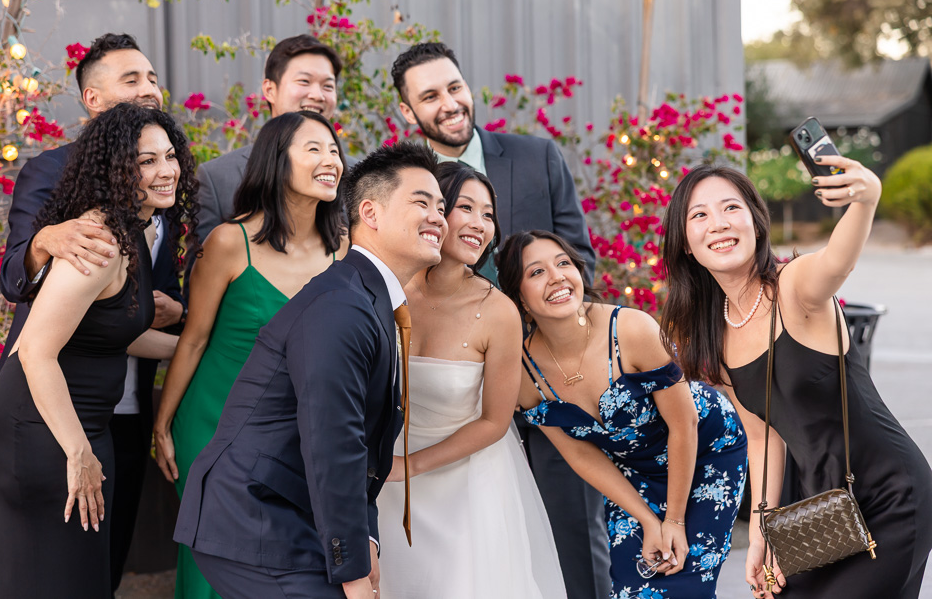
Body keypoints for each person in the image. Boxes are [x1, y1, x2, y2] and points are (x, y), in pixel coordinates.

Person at [174, 141, 446, 599]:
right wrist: (352, 567)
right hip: (256, 516)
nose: (439, 216)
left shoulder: (368, 297)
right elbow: (333, 441)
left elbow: (361, 444)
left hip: (293, 513)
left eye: (440, 206)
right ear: (370, 213)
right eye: (422, 202)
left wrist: (367, 537)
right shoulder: (341, 304)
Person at [391, 41, 609, 598]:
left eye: (455, 87)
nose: (449, 103)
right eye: (430, 96)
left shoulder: (537, 157)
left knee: (575, 535)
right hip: (446, 394)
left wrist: (513, 325)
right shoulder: (402, 184)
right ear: (407, 111)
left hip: (548, 375)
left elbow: (579, 259)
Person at [659, 161, 932, 599]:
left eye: (731, 207)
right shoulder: (717, 334)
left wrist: (866, 198)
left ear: (755, 220)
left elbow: (838, 261)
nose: (719, 223)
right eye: (700, 215)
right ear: (686, 244)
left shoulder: (794, 285)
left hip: (892, 495)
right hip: (821, 513)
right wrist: (762, 532)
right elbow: (762, 437)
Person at [0, 32, 185, 598]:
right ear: (116, 163)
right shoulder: (97, 236)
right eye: (147, 160)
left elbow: (112, 331)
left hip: (91, 421)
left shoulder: (135, 226)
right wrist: (77, 451)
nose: (166, 170)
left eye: (170, 156)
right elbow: (35, 348)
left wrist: (203, 349)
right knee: (46, 580)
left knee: (83, 578)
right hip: (43, 426)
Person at [153, 110, 348, 599]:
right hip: (213, 427)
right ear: (277, 161)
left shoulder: (344, 251)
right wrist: (163, 423)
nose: (331, 160)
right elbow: (194, 339)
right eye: (314, 149)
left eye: (334, 150)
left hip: (291, 436)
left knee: (280, 569)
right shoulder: (228, 241)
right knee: (212, 566)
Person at [497, 229, 747, 598]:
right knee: (633, 587)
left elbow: (684, 424)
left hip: (705, 449)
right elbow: (581, 455)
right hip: (633, 475)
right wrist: (648, 520)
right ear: (519, 297)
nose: (557, 277)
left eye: (563, 263)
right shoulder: (525, 374)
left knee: (685, 582)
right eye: (536, 272)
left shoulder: (631, 329)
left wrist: (674, 520)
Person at [375, 162, 567, 598]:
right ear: (433, 210)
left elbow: (494, 422)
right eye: (466, 208)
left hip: (464, 482)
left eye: (488, 214)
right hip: (385, 473)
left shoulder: (498, 311)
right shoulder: (388, 289)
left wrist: (409, 467)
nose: (480, 224)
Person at [194, 34, 343, 242]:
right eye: (304, 81)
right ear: (270, 90)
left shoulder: (356, 176)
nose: (317, 95)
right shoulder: (217, 178)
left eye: (328, 86)